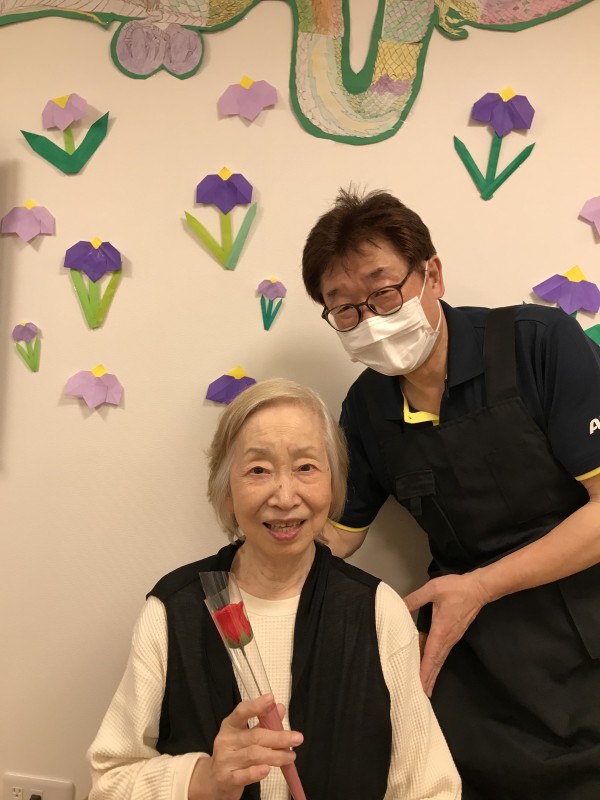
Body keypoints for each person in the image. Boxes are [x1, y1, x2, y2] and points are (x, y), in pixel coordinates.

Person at [301, 189, 600, 800]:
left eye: (384, 292)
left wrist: (482, 586)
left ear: (431, 274)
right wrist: (264, 536)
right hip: (473, 653)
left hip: (583, 615)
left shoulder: (537, 341)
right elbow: (339, 538)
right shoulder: (367, 409)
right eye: (345, 309)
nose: (370, 320)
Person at [87, 378, 461, 800]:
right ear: (227, 492)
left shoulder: (377, 611)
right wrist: (204, 779)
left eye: (306, 467)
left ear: (335, 484)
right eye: (258, 470)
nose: (284, 497)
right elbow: (108, 783)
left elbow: (432, 789)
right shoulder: (174, 610)